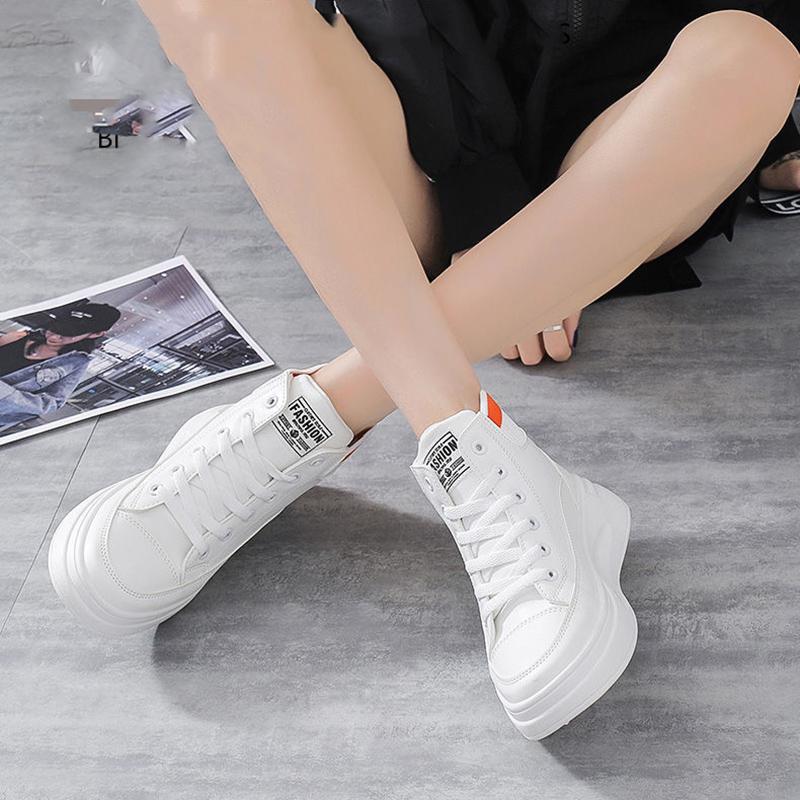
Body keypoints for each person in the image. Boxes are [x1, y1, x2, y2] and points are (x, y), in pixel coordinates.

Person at [46, 1, 799, 740]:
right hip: (430, 140)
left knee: (750, 54)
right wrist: (484, 201)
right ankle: (464, 433)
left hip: (635, 135)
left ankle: (318, 412)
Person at [0, 300, 121, 431]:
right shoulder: (18, 337)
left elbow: (50, 404)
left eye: (68, 334)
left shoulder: (75, 364)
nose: (54, 337)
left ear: (96, 334)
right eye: (53, 329)